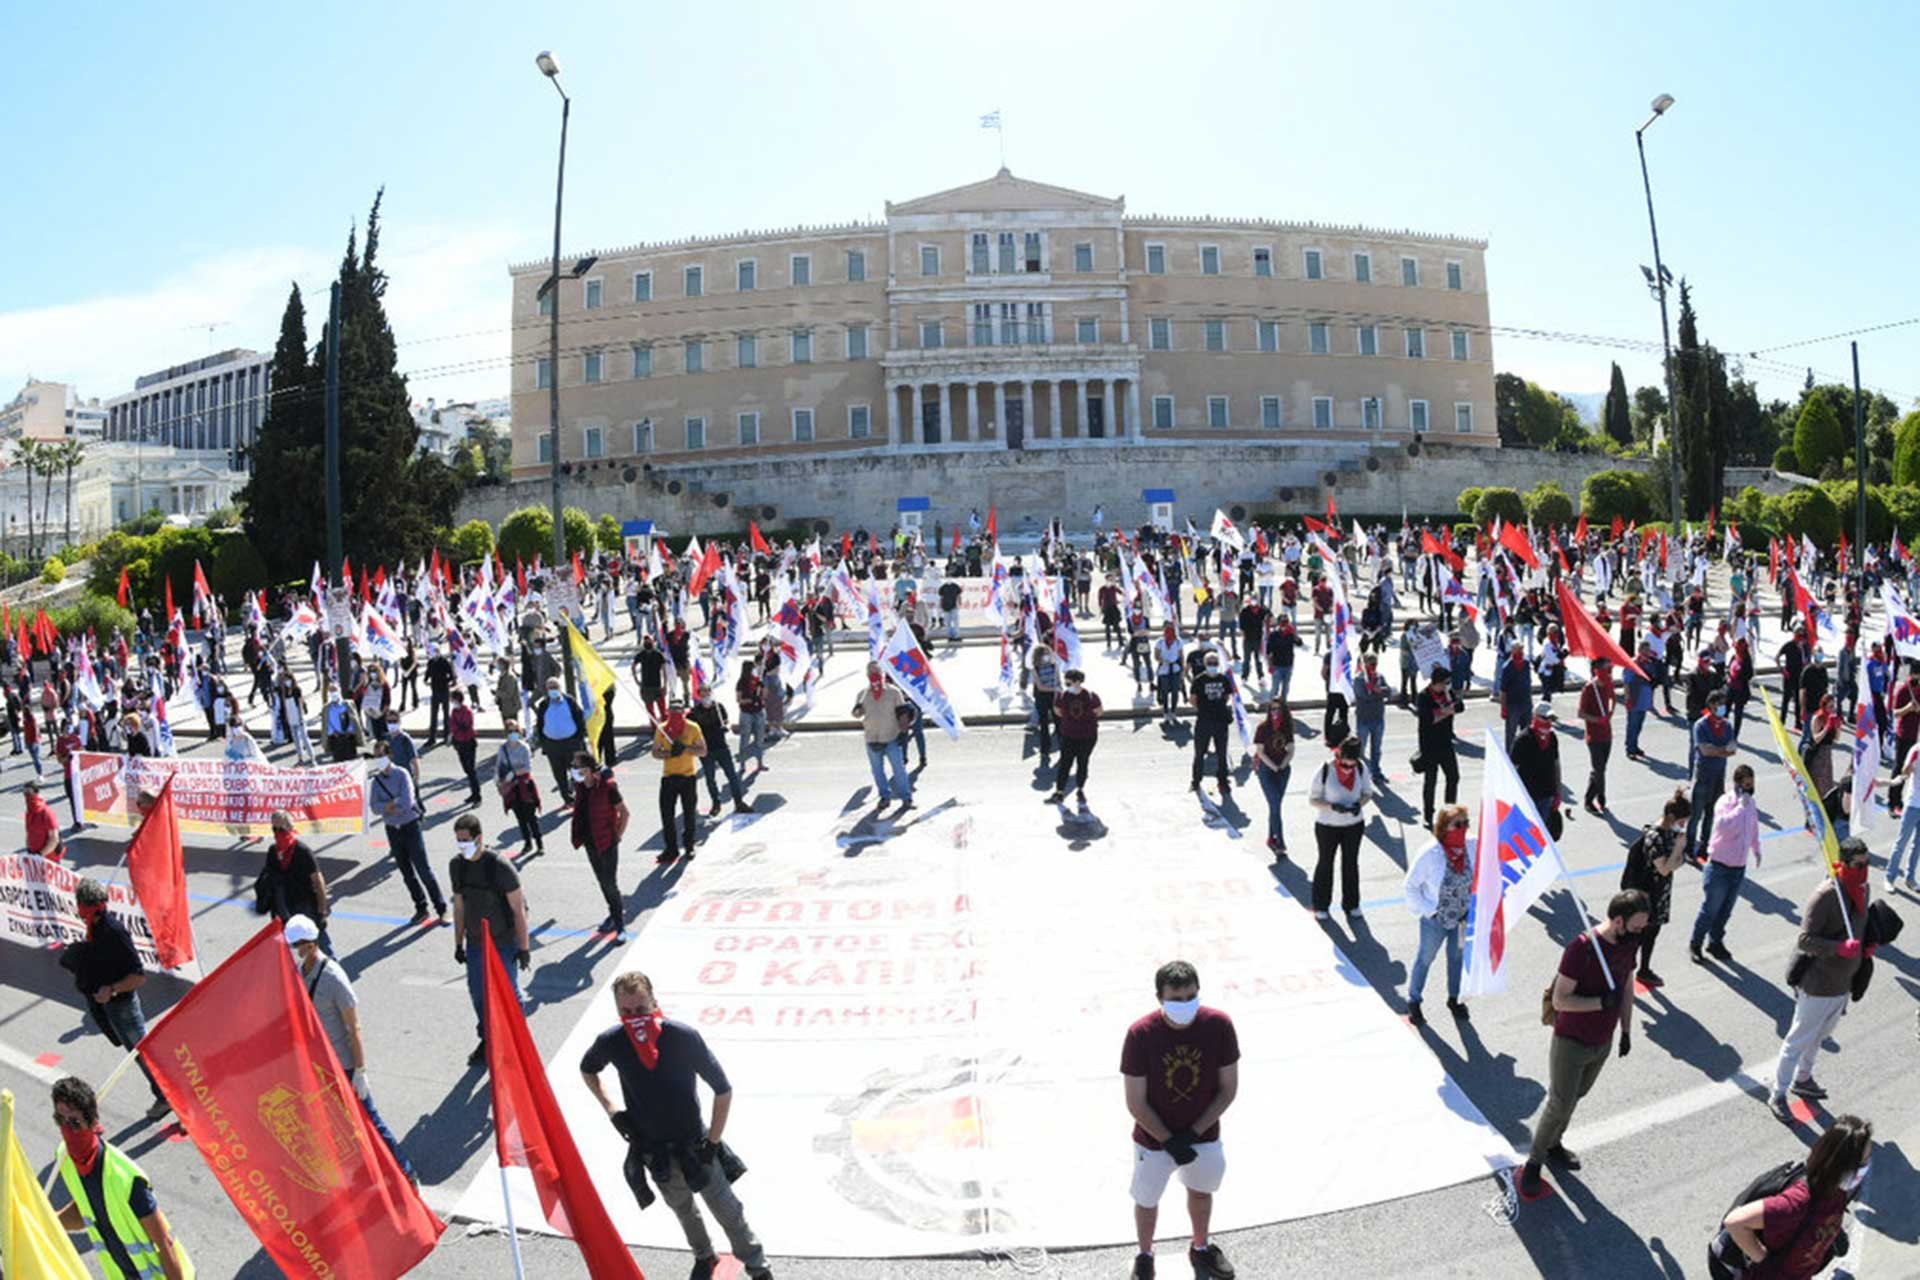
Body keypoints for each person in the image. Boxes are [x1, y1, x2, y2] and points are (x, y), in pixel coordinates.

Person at [581, 971, 776, 1280]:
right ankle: (704, 1255)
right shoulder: (612, 1041)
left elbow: (723, 1089)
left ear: (654, 1002)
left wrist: (712, 1142)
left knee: (728, 1210)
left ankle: (758, 1267)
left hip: (695, 1146)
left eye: (642, 1009)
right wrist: (612, 1109)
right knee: (682, 1208)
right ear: (618, 1012)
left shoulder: (682, 1037)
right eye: (627, 1012)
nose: (635, 1018)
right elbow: (588, 1069)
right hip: (654, 1149)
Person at [1517, 889, 1647, 1198]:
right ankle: (1534, 1163)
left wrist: (1626, 1029)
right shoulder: (1582, 948)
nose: (1641, 932)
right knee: (1560, 1101)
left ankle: (1554, 1143)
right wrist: (1602, 1003)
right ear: (1618, 921)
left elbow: (1627, 985)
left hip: (1603, 1039)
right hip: (1571, 1041)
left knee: (1577, 1096)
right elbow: (1562, 1000)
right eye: (1638, 926)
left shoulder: (1629, 943)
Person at [1119, 960, 1239, 1280]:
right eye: (1176, 998)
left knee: (1201, 1192)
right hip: (1153, 1139)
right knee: (1147, 1200)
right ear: (1160, 998)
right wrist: (1168, 1139)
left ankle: (1201, 1246)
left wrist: (1193, 1133)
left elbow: (1228, 1089)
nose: (1185, 1005)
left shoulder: (1219, 1025)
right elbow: (1135, 1100)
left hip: (1203, 1136)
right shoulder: (1140, 1034)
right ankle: (1145, 1255)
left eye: (1190, 997)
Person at [284, 914, 418, 1184]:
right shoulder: (301, 973)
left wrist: (360, 1071)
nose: (293, 951)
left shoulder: (333, 978)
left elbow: (353, 1028)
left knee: (370, 1119)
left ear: (310, 944)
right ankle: (365, 1167)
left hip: (344, 1065)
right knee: (340, 1124)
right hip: (321, 1064)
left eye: (296, 946)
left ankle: (405, 1170)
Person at [50, 1075, 193, 1280]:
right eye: (60, 1120)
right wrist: (43, 1221)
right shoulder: (65, 1159)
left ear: (92, 1121)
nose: (67, 1129)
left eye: (74, 1122)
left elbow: (164, 1244)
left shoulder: (126, 1178)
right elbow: (87, 1208)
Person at [1769, 838, 1872, 1121]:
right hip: (1818, 984)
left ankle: (1803, 1078)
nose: (1864, 870)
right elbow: (1805, 940)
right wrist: (1837, 948)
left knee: (1820, 1036)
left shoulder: (1862, 889)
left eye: (1867, 863)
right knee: (1798, 1039)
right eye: (1858, 865)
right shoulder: (1827, 895)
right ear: (1844, 863)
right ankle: (1778, 1093)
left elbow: (1861, 926)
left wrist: (1867, 945)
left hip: (1842, 984)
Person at [60, 877, 174, 1121]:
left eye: (79, 903)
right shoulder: (96, 927)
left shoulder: (112, 931)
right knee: (138, 1051)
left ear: (87, 906)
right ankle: (169, 1092)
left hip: (123, 1006)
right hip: (111, 1006)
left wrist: (111, 990)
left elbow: (138, 976)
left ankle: (169, 1097)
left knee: (142, 1053)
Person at [1713, 1113, 1871, 1280]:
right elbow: (1735, 1222)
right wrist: (1765, 1261)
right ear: (1840, 1165)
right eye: (1862, 1162)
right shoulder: (1798, 1202)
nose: (1866, 1166)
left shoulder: (1837, 1191)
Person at [449, 811, 531, 1066]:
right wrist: (458, 944)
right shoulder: (457, 866)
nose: (462, 845)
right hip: (476, 943)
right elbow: (459, 907)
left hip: (504, 942)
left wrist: (524, 947)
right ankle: (488, 1038)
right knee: (477, 993)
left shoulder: (499, 867)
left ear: (479, 837)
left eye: (465, 840)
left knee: (510, 995)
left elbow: (519, 909)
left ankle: (518, 1042)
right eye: (458, 841)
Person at [1403, 804, 1473, 1025]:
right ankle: (1414, 999)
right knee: (1425, 958)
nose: (1463, 829)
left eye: (1466, 823)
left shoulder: (1471, 845)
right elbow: (1410, 886)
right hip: (1436, 920)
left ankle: (1454, 998)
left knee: (1457, 958)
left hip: (1462, 917)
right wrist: (1430, 911)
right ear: (1444, 827)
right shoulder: (1430, 853)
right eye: (1458, 825)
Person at [368, 742, 447, 925]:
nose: (379, 760)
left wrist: (387, 807)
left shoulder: (402, 774)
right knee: (406, 872)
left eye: (381, 755)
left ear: (389, 756)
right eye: (376, 757)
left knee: (423, 870)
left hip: (410, 826)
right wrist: (390, 805)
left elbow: (406, 802)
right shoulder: (376, 781)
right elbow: (374, 807)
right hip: (392, 830)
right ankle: (421, 907)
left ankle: (441, 908)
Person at [1617, 790, 1690, 987]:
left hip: (1659, 894)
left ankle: (1644, 969)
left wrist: (1675, 858)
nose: (1683, 826)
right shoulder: (1654, 837)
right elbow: (1665, 868)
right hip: (1645, 897)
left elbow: (1680, 862)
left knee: (1652, 933)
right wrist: (1677, 850)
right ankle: (1622, 975)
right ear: (1671, 817)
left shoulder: (1670, 833)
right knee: (1636, 937)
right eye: (1682, 821)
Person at [1691, 764, 1762, 963]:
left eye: (1751, 784)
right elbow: (1723, 827)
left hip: (1738, 867)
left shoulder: (1751, 804)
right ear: (1737, 784)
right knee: (1710, 908)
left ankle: (1715, 942)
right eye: (1745, 784)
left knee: (1726, 911)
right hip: (1720, 866)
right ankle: (1695, 943)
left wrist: (1756, 849)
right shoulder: (1725, 802)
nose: (1749, 788)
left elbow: (1753, 828)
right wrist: (1740, 806)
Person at [1307, 735, 1374, 920]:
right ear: (1338, 757)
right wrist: (1332, 807)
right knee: (1325, 864)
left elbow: (1368, 793)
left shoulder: (1361, 769)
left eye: (1352, 765)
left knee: (1351, 864)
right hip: (1328, 825)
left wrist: (1359, 804)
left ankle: (1351, 904)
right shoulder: (1325, 770)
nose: (1349, 769)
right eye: (1345, 765)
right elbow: (1313, 799)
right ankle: (1321, 905)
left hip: (1353, 825)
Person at [254, 809, 331, 954]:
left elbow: (318, 881)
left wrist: (322, 911)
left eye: (281, 829)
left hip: (305, 909)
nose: (278, 833)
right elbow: (267, 877)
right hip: (283, 911)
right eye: (274, 829)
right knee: (287, 954)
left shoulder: (302, 851)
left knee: (320, 947)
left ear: (290, 828)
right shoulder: (273, 851)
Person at [646, 704, 701, 865]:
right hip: (669, 777)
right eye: (672, 712)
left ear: (683, 713)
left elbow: (703, 750)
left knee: (689, 813)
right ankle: (671, 849)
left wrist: (686, 748)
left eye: (678, 712)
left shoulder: (692, 728)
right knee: (667, 814)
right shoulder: (662, 729)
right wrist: (670, 753)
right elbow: (655, 752)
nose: (675, 715)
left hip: (688, 777)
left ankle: (689, 845)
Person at [853, 661, 912, 810]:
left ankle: (906, 798)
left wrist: (904, 732)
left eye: (876, 672)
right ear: (867, 675)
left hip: (891, 738)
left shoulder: (894, 692)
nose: (874, 675)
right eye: (871, 672)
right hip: (872, 739)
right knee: (877, 771)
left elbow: (902, 713)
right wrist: (857, 710)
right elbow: (856, 714)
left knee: (899, 769)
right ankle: (884, 797)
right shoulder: (862, 694)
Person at [688, 685, 750, 818]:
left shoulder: (718, 707)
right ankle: (716, 803)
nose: (706, 696)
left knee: (732, 776)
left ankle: (738, 802)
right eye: (703, 694)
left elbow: (726, 721)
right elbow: (690, 729)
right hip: (706, 750)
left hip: (722, 747)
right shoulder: (695, 712)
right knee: (710, 779)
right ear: (699, 696)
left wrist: (726, 727)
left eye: (707, 693)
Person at [1688, 694, 1738, 856]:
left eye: (1724, 703)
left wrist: (1716, 751)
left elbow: (1732, 750)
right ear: (1711, 705)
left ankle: (1704, 847)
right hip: (1703, 774)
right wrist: (1722, 751)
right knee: (1695, 815)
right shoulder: (1700, 725)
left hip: (1719, 775)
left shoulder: (1727, 726)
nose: (1723, 706)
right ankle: (1689, 848)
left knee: (1711, 813)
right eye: (1719, 704)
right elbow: (1704, 750)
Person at [1414, 666, 1462, 828]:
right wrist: (1447, 712)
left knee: (1453, 777)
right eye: (1445, 683)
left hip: (1446, 743)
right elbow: (1429, 718)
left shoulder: (1447, 694)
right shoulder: (1424, 696)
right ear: (1437, 682)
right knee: (1430, 781)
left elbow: (1460, 706)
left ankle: (1449, 812)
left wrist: (1448, 701)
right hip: (1429, 745)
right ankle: (1428, 814)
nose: (1448, 685)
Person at [1510, 702, 1564, 839]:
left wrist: (1558, 792)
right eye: (1545, 718)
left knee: (1542, 837)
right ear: (1535, 717)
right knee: (1526, 837)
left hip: (1547, 796)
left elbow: (1556, 765)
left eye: (1551, 719)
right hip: (1528, 797)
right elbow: (1513, 771)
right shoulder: (1523, 740)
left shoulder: (1552, 738)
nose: (1548, 722)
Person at [1050, 667, 1101, 805]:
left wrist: (1071, 719)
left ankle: (1062, 792)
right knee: (1078, 763)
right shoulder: (1090, 695)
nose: (1067, 685)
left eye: (1069, 682)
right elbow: (1098, 711)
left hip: (1074, 735)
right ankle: (1077, 789)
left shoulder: (1065, 696)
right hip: (1084, 735)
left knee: (1071, 763)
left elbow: (1058, 711)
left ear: (1078, 681)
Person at [533, 676, 588, 804]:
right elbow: (540, 725)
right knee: (559, 774)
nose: (552, 690)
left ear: (560, 688)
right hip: (553, 746)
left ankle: (580, 796)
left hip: (571, 744)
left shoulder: (570, 701)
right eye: (550, 688)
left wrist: (578, 740)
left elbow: (580, 719)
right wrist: (544, 744)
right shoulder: (544, 704)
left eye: (555, 687)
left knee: (577, 772)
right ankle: (567, 798)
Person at [1253, 698, 1295, 860]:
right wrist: (1273, 767)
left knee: (1275, 805)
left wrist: (1283, 765)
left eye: (1278, 709)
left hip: (1283, 769)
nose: (1275, 712)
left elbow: (1291, 750)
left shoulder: (1286, 727)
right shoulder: (1263, 728)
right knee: (1275, 804)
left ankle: (1271, 837)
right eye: (1272, 709)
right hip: (1266, 769)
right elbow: (1260, 751)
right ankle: (1280, 842)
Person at [1188, 651, 1233, 799]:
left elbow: (1227, 695)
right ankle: (1196, 781)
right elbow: (1193, 699)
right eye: (1210, 663)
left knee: (1222, 753)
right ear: (1205, 664)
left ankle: (1222, 781)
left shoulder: (1223, 679)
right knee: (1199, 752)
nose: (1213, 665)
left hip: (1220, 721)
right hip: (1204, 721)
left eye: (1215, 663)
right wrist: (1205, 708)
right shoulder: (1199, 680)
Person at [1578, 657, 1614, 815]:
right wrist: (1597, 720)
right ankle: (1599, 796)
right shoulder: (1589, 689)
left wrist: (1610, 713)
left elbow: (1613, 699)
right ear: (1598, 670)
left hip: (1607, 734)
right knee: (1599, 769)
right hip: (1594, 736)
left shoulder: (1608, 684)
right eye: (1607, 669)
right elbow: (1580, 713)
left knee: (1599, 768)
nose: (1610, 672)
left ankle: (1590, 796)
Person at [448, 689, 481, 807]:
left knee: (471, 770)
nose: (451, 701)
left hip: (468, 742)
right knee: (466, 769)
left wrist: (456, 729)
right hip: (460, 743)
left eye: (453, 699)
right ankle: (473, 793)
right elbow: (452, 725)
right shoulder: (454, 711)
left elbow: (465, 726)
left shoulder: (466, 711)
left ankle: (477, 796)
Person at [24, 778, 65, 863]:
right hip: (36, 857)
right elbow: (29, 833)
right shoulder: (29, 813)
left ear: (36, 793)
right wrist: (29, 850)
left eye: (29, 793)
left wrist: (40, 854)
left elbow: (54, 839)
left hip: (49, 859)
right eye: (25, 793)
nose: (27, 796)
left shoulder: (46, 812)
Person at [1153, 624, 1186, 727]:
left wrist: (1182, 670)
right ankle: (1166, 711)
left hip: (1175, 668)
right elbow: (1156, 656)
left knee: (1175, 690)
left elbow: (1181, 656)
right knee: (1165, 691)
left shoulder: (1178, 641)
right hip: (1164, 669)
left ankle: (1173, 711)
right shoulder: (1160, 642)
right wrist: (1163, 660)